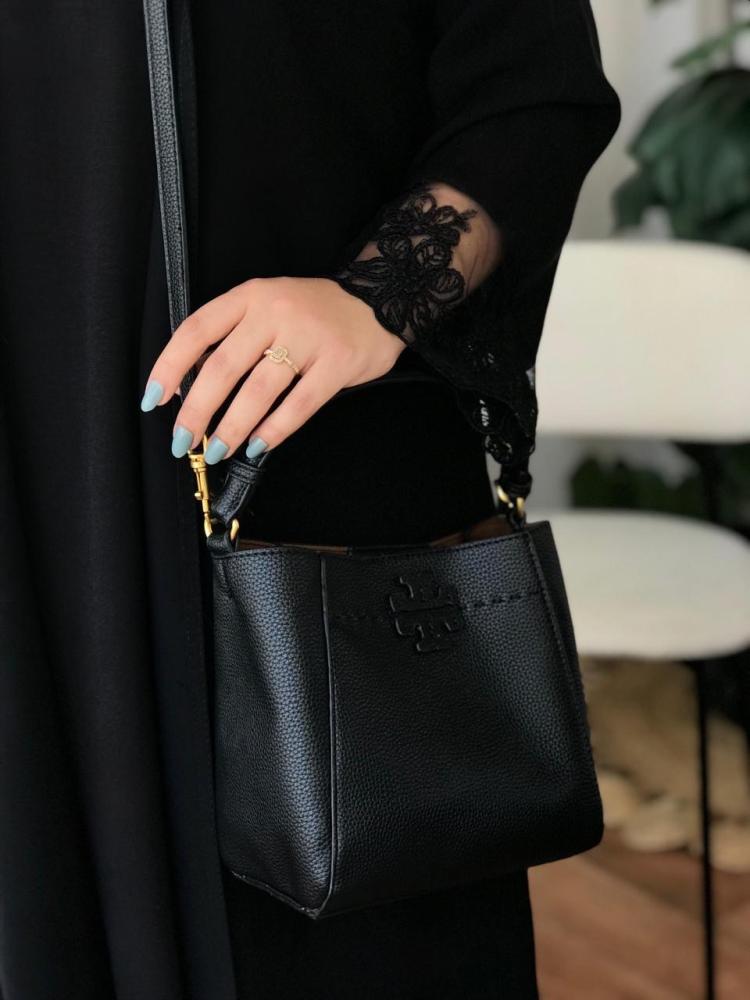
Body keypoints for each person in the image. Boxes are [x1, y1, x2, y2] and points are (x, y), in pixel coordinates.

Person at [0, 1, 620, 998]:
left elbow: (535, 94)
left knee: (358, 920)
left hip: (318, 475)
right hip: (40, 480)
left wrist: (378, 296)